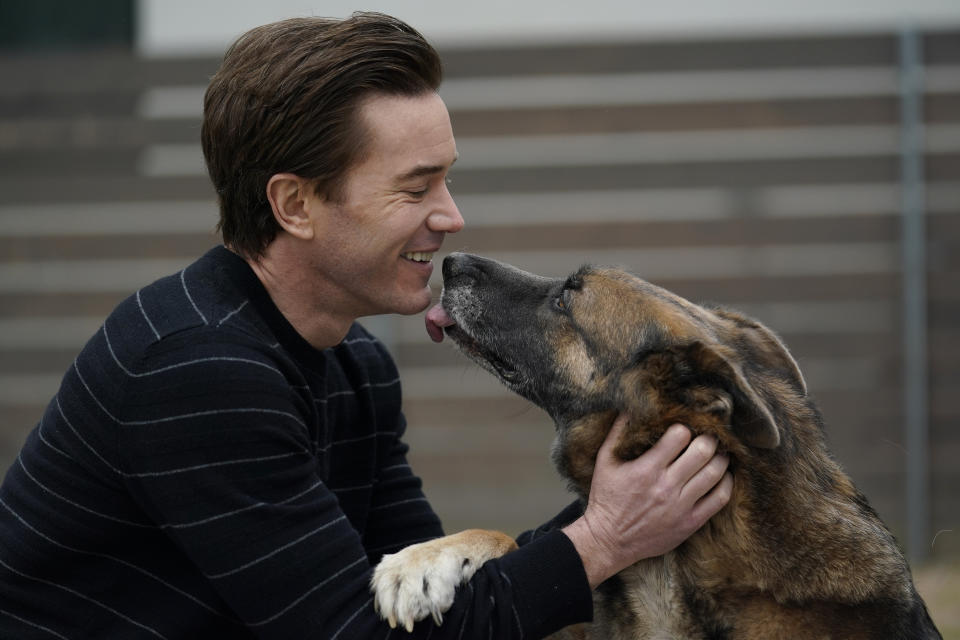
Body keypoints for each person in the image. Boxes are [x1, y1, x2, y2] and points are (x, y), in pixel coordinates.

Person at [0, 12, 731, 639]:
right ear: (294, 205)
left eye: (446, 178)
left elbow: (424, 606)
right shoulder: (196, 369)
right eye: (416, 187)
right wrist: (600, 537)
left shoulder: (356, 360)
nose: (451, 217)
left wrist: (612, 519)